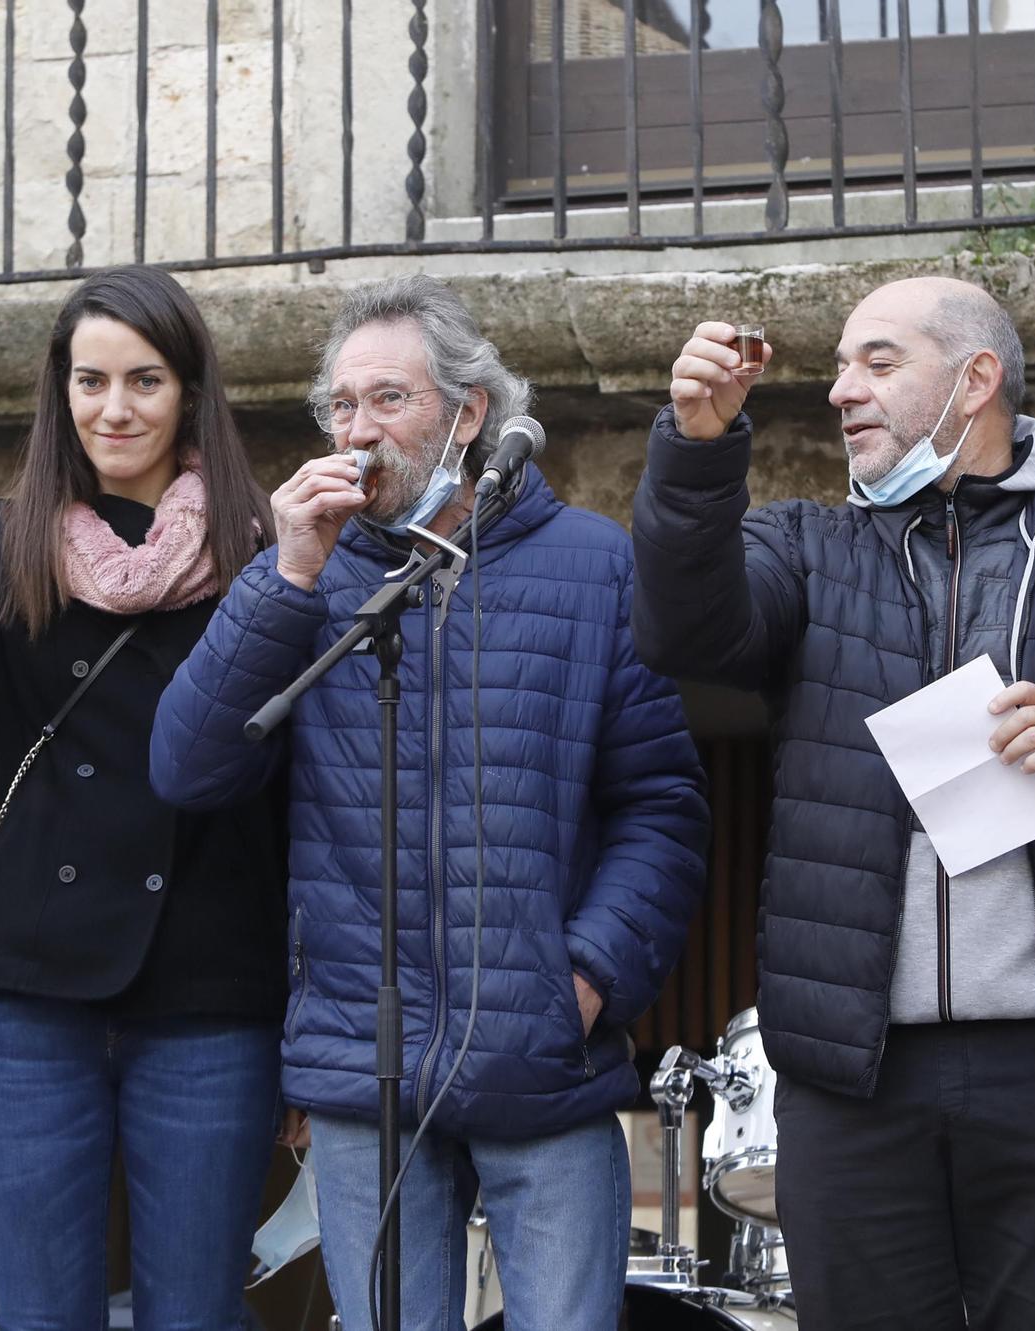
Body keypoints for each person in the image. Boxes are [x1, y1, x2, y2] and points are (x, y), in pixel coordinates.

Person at [630, 277, 1035, 1330]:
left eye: (877, 363)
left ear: (976, 381)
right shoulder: (802, 545)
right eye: (839, 366)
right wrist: (697, 451)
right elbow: (684, 636)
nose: (840, 390)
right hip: (850, 1072)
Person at [149, 274, 710, 1331]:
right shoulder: (302, 581)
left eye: (388, 400)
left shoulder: (595, 566)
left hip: (544, 1060)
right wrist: (287, 573)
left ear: (468, 413)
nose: (358, 431)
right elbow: (190, 769)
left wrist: (583, 979)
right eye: (341, 405)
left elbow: (661, 806)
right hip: (362, 1075)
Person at [0, 265, 288, 1329]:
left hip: (209, 989)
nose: (113, 408)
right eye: (89, 381)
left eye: (143, 380)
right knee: (40, 1314)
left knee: (198, 1314)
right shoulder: (9, 536)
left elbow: (298, 791)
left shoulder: (266, 548)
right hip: (30, 996)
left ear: (189, 393)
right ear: (60, 392)